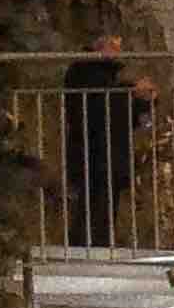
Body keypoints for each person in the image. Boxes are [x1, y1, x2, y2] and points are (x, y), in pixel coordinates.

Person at [55, 34, 150, 247]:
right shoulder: (83, 71)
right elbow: (95, 106)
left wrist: (142, 102)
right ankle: (86, 246)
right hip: (93, 148)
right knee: (91, 202)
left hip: (110, 150)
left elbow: (124, 116)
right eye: (112, 45)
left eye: (119, 46)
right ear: (98, 45)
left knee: (106, 203)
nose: (117, 50)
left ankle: (99, 244)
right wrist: (132, 92)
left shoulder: (110, 78)